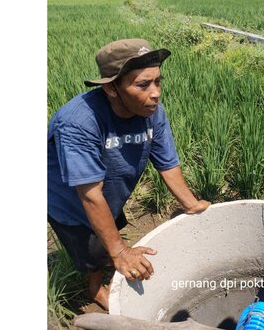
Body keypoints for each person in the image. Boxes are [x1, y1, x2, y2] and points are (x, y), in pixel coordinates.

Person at [47, 38, 210, 310]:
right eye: (143, 84)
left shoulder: (151, 111)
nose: (156, 92)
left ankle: (109, 261)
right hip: (71, 199)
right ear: (111, 88)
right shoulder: (79, 122)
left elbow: (167, 164)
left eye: (158, 81)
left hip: (108, 189)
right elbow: (89, 196)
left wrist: (191, 204)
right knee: (93, 251)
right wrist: (120, 251)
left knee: (111, 233)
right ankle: (95, 288)